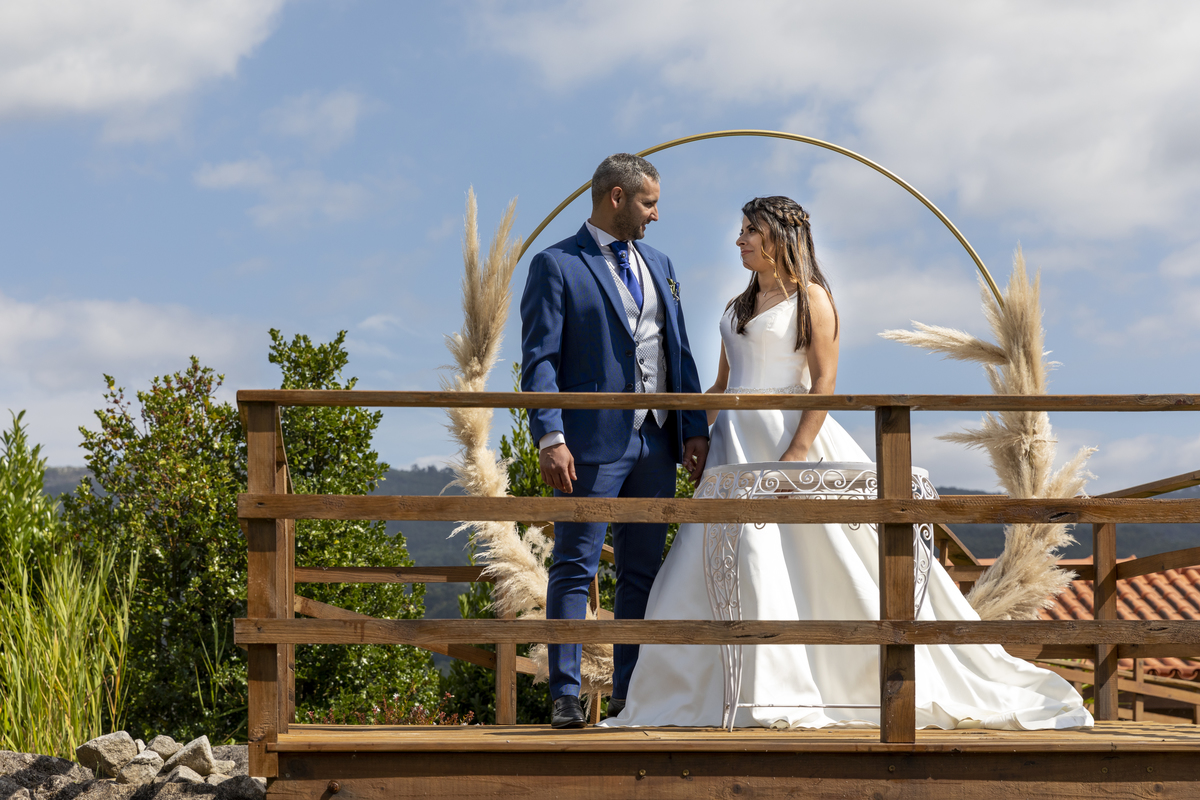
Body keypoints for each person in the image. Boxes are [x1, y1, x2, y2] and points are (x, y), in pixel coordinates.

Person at [600, 196, 1093, 730]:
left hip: (790, 439)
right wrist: (696, 432)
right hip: (733, 451)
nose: (739, 239)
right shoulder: (737, 305)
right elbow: (721, 386)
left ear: (780, 238)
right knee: (721, 562)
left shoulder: (813, 299)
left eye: (750, 230)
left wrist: (794, 457)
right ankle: (717, 693)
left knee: (816, 561)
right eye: (741, 229)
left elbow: (824, 384)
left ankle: (822, 684)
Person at [519, 153, 711, 728]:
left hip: (656, 441)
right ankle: (566, 693)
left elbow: (678, 350)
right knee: (575, 567)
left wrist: (693, 426)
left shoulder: (661, 262)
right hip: (588, 442)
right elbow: (539, 360)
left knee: (641, 572)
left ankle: (630, 694)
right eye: (649, 202)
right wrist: (550, 434)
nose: (657, 215)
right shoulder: (555, 265)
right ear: (617, 198)